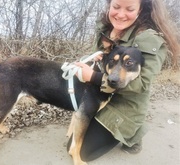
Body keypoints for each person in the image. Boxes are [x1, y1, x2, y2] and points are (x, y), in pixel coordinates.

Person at [68, 0, 180, 162]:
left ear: (141, 9)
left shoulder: (148, 39)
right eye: (116, 7)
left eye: (129, 9)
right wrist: (90, 61)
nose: (120, 14)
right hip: (100, 95)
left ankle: (134, 133)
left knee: (83, 152)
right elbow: (100, 61)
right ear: (109, 5)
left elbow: (141, 84)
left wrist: (93, 76)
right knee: (72, 142)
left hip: (125, 105)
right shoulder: (105, 28)